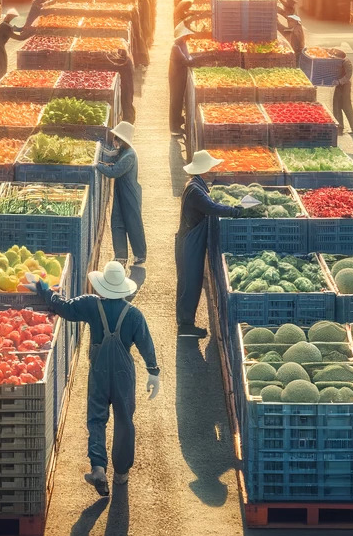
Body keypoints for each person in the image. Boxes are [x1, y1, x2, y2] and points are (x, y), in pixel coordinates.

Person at [29, 260, 159, 496]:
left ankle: (98, 468)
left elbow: (64, 308)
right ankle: (121, 473)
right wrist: (154, 372)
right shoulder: (133, 315)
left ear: (101, 287)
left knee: (97, 419)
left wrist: (44, 289)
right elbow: (146, 345)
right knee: (124, 421)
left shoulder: (91, 305)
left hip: (99, 372)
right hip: (123, 375)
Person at [175, 150, 245, 337]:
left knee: (192, 281)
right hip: (189, 240)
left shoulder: (196, 184)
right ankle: (185, 326)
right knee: (189, 282)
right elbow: (211, 208)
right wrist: (233, 211)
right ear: (204, 170)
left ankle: (186, 322)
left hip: (191, 238)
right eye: (211, 168)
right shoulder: (195, 190)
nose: (213, 171)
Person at [97, 121, 146, 266]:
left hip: (130, 193)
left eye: (116, 138)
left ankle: (140, 254)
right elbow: (112, 160)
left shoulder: (129, 155)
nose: (114, 141)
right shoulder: (124, 151)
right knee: (117, 222)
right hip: (121, 191)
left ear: (122, 140)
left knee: (133, 223)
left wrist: (97, 165)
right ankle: (121, 256)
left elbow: (115, 172)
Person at [168, 23, 195, 136]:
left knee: (179, 101)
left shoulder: (183, 45)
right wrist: (197, 60)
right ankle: (174, 127)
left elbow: (189, 57)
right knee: (176, 101)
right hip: (176, 77)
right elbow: (186, 61)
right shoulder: (176, 47)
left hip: (181, 76)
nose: (188, 37)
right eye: (187, 35)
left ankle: (178, 122)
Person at [330, 45, 353, 135]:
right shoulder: (339, 62)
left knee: (347, 107)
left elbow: (348, 76)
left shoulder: (346, 62)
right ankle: (339, 128)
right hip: (339, 86)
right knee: (336, 105)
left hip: (345, 86)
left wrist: (339, 81)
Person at [0, 8, 21, 83]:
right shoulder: (5, 26)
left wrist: (24, 28)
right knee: (0, 67)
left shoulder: (4, 24)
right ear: (9, 17)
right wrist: (29, 33)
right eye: (12, 17)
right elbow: (18, 37)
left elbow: (16, 28)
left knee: (1, 66)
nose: (13, 18)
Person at [107, 44, 136, 124]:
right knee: (126, 95)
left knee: (126, 95)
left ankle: (127, 119)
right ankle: (127, 118)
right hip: (122, 61)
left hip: (123, 63)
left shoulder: (124, 62)